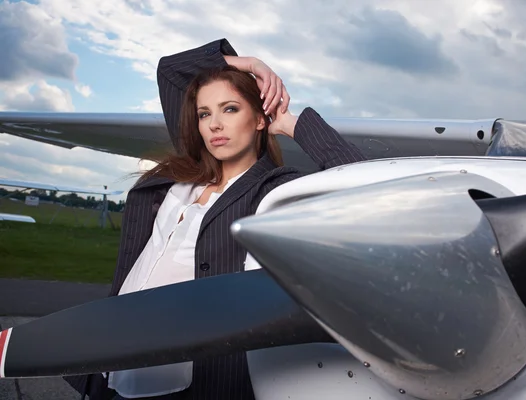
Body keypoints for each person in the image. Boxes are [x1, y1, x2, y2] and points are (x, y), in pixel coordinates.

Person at [65, 38, 366, 400]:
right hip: (112, 364)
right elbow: (172, 70)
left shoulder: (271, 191)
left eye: (230, 109)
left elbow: (363, 184)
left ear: (259, 119)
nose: (214, 125)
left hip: (184, 380)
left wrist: (292, 123)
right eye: (205, 113)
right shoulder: (183, 177)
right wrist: (249, 64)